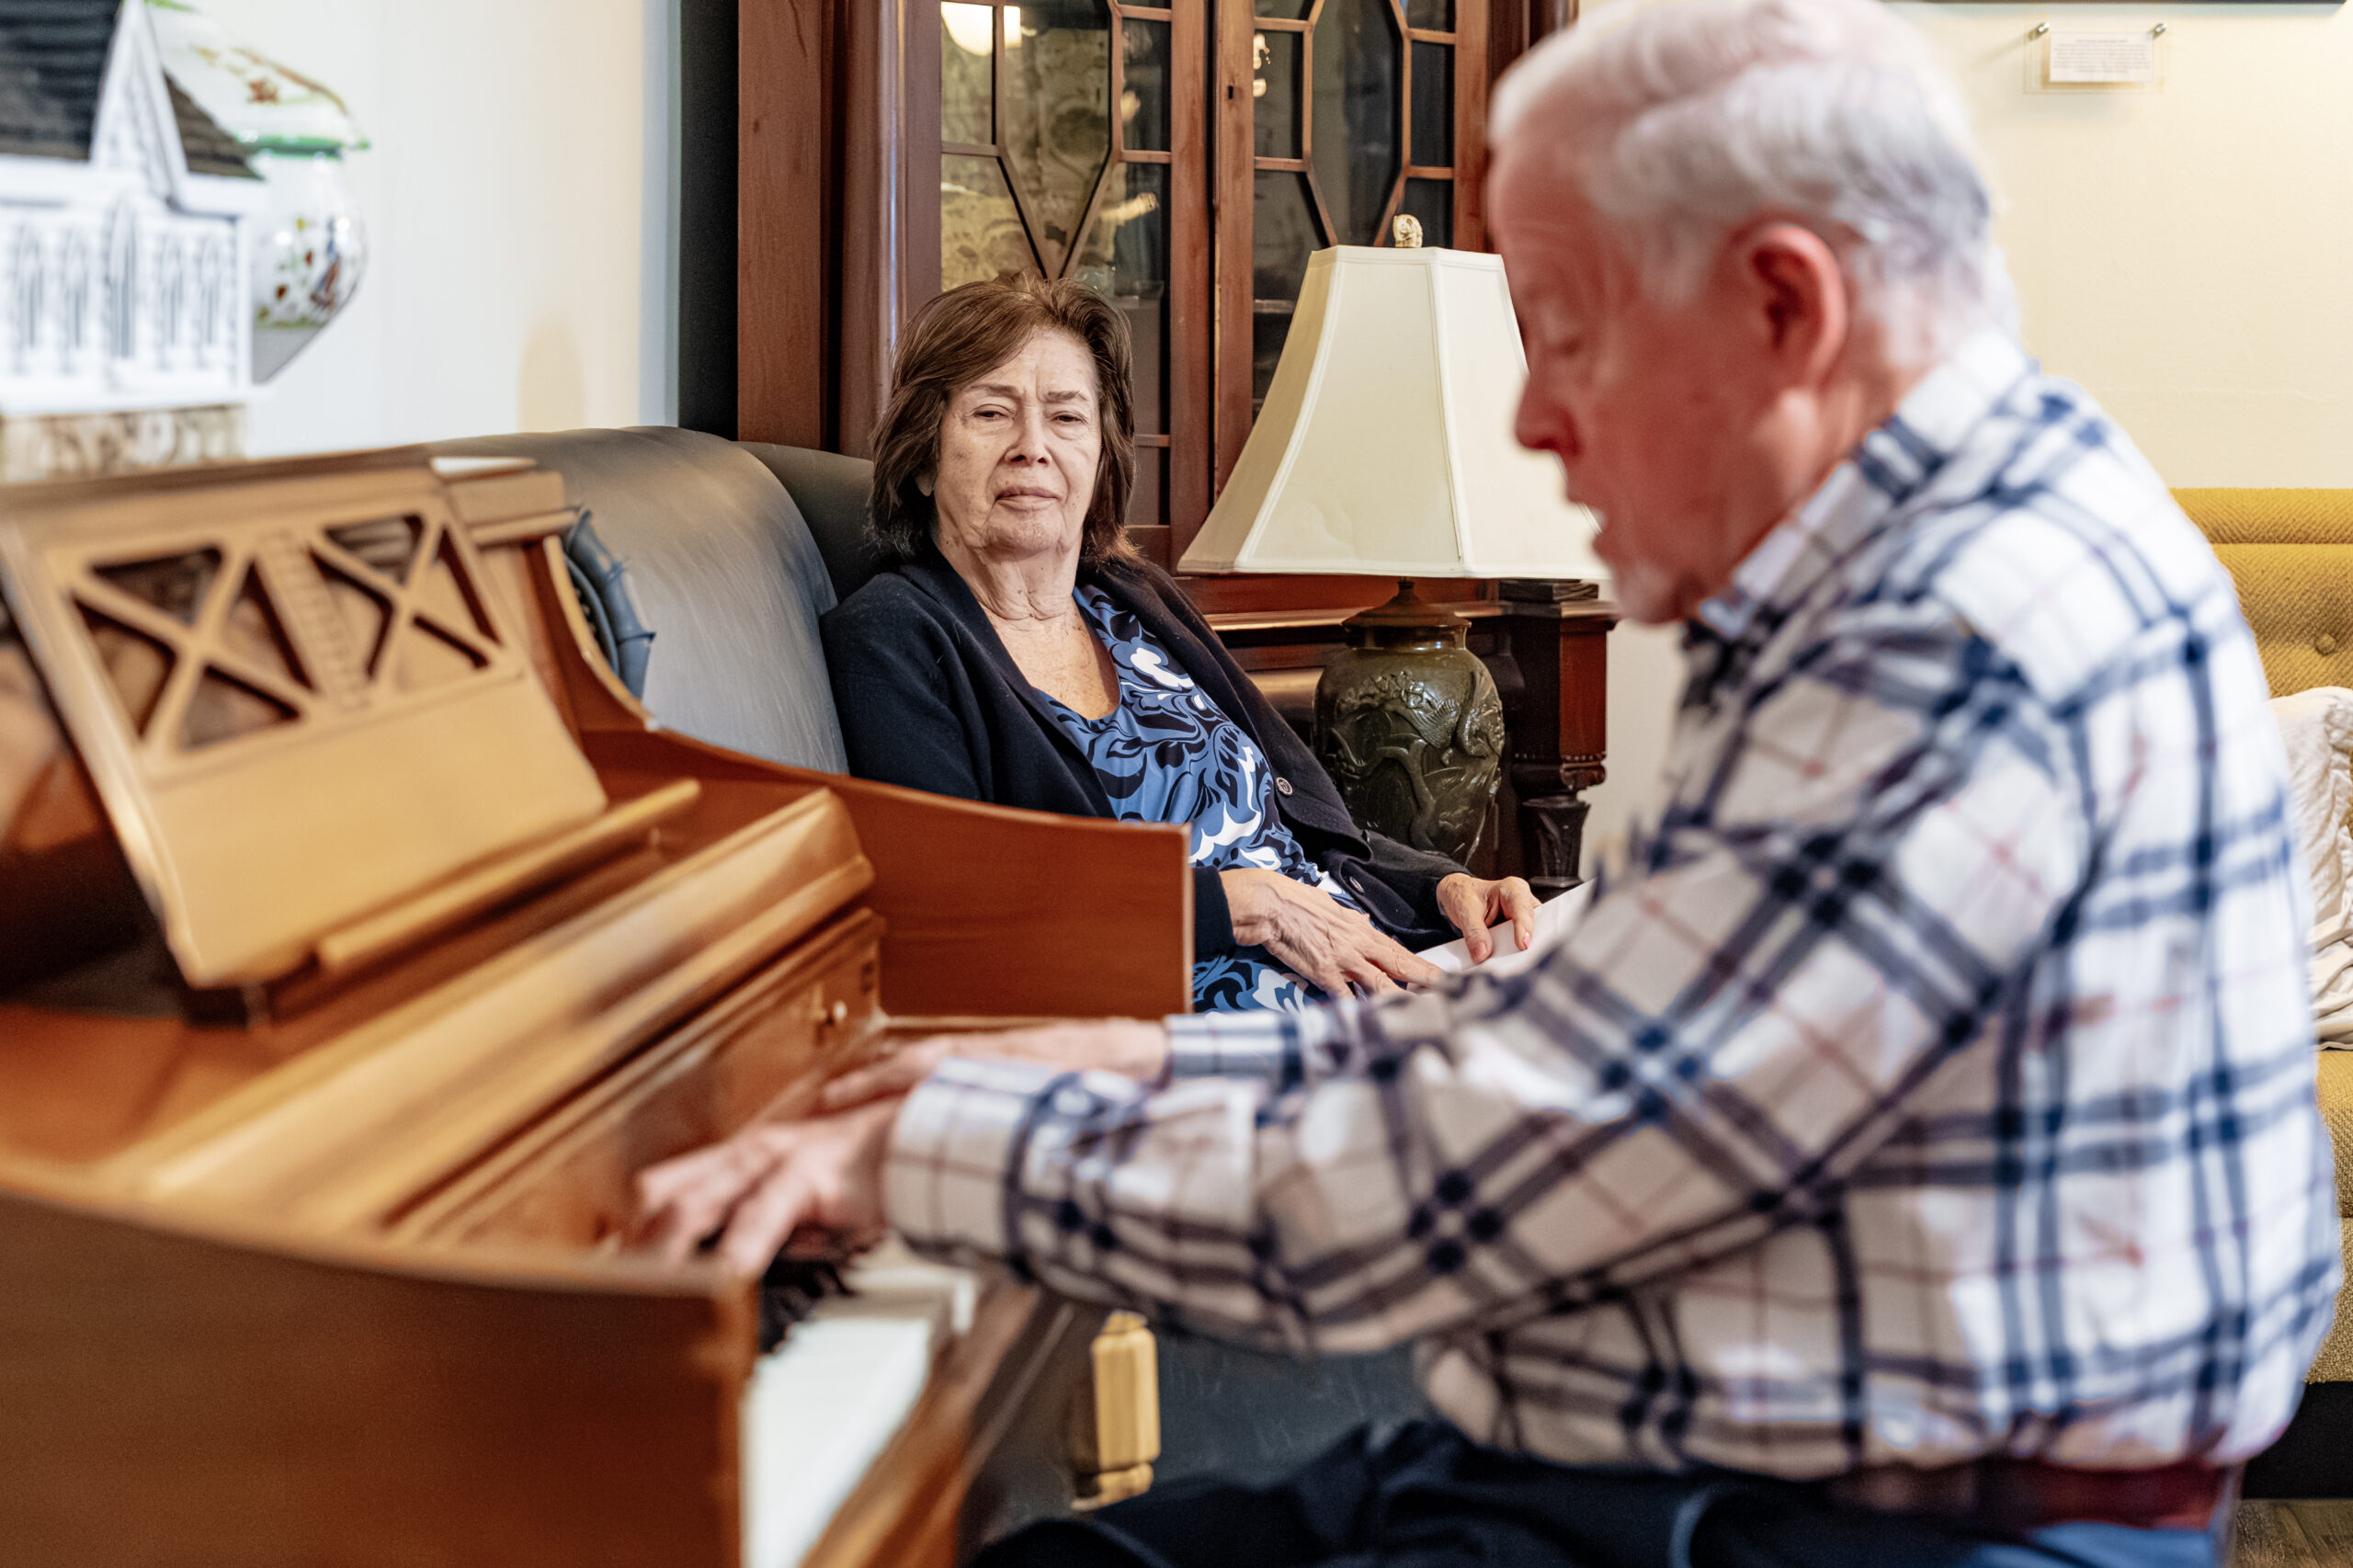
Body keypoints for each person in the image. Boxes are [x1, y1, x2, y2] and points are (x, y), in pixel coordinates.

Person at [640, 0, 2341, 1562]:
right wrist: (1121, 1051)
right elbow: (1590, 1050)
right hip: (1750, 1455)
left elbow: (1510, 1156)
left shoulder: (1944, 645)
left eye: (1572, 336)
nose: (1534, 425)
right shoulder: (1960, 538)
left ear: (1783, 307)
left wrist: (947, 1150)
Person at [820, 275, 1536, 1012]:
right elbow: (958, 909)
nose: (1032, 448)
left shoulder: (1134, 597)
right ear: (924, 454)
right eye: (992, 413)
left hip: (1363, 966)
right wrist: (1241, 906)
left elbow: (1296, 833)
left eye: (1066, 417)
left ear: (1100, 457)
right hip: (1180, 1029)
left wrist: (1442, 886)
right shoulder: (894, 637)